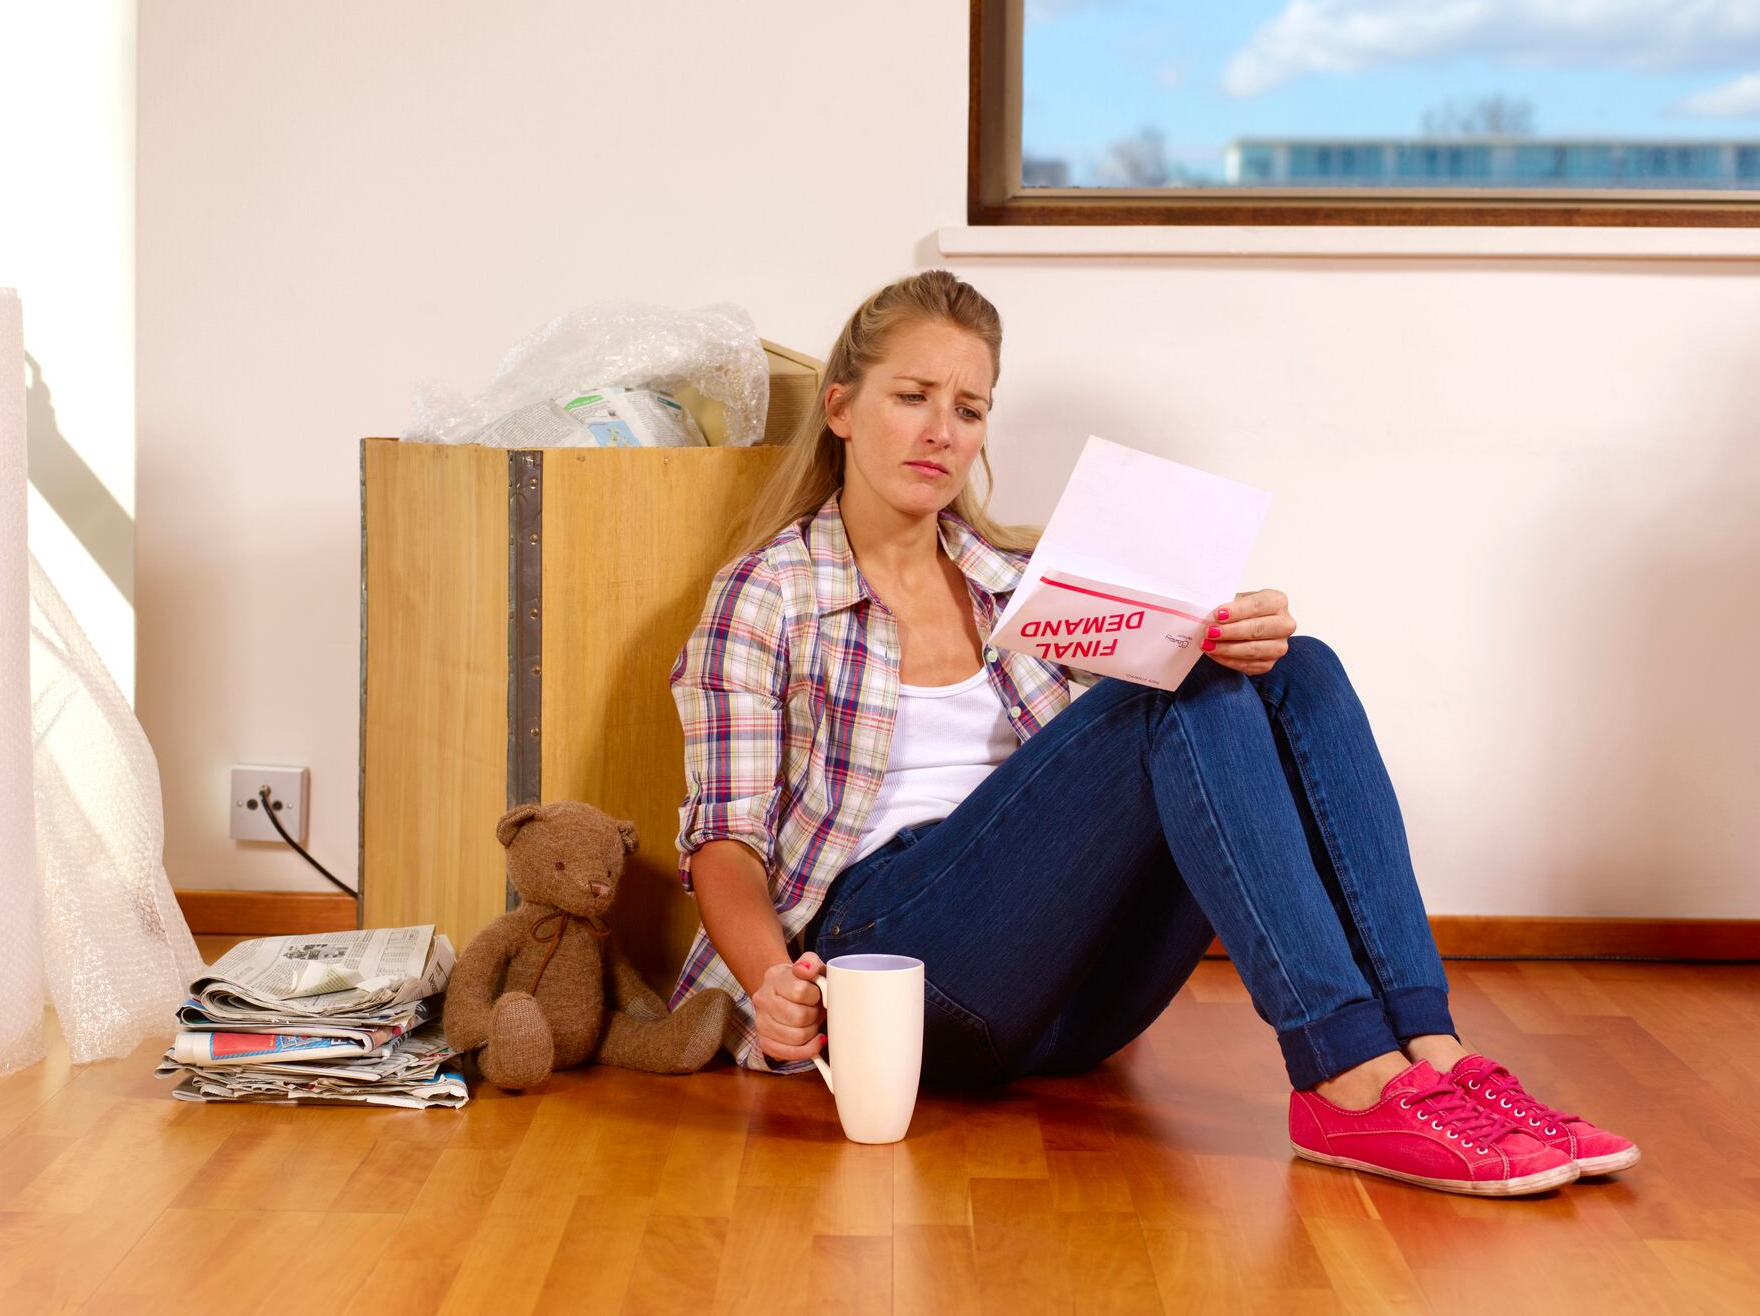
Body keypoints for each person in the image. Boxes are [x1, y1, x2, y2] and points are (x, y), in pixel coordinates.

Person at [665, 271, 1636, 1197]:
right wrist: (767, 985)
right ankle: (1345, 1073)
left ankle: (1434, 1057)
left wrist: (1232, 637)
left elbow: (1186, 758)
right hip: (887, 970)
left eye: (968, 407)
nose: (940, 430)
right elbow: (723, 839)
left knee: (1295, 665)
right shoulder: (768, 594)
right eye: (911, 395)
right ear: (839, 407)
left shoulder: (1023, 577)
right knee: (1167, 691)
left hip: (1061, 1002)